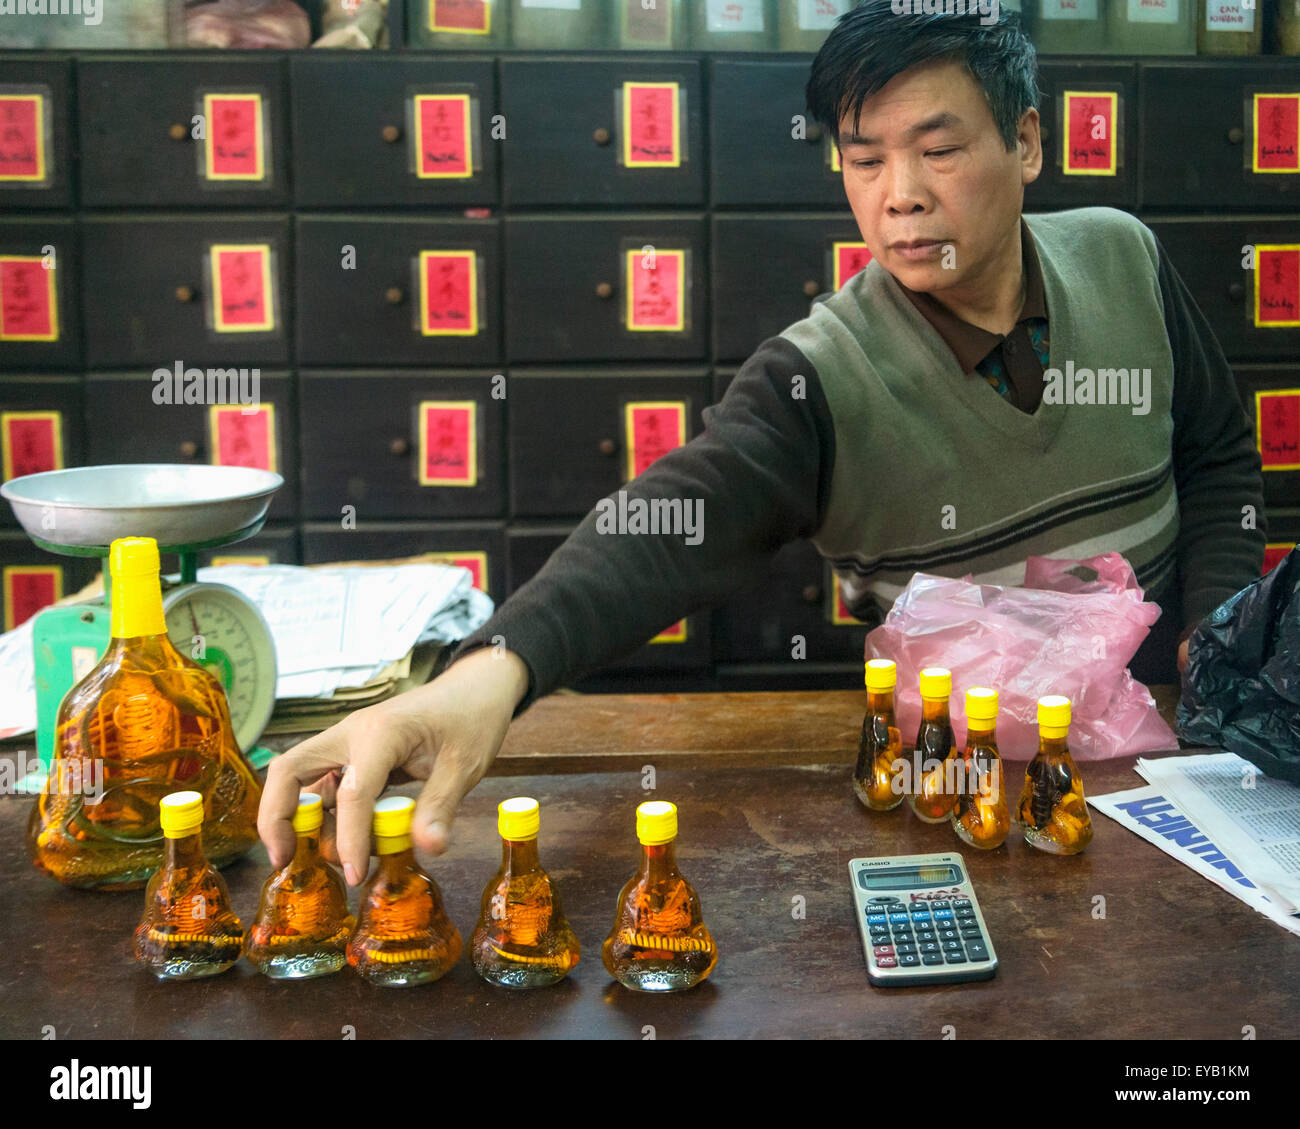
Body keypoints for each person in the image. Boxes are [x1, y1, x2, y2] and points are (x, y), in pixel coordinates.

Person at [258, 1, 1265, 884]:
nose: (900, 194)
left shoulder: (1123, 259)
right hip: (961, 791)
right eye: (864, 160)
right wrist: (487, 675)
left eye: (938, 149)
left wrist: (1210, 637)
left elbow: (1217, 455)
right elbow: (668, 524)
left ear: (1028, 141)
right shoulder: (821, 375)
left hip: (1171, 754)